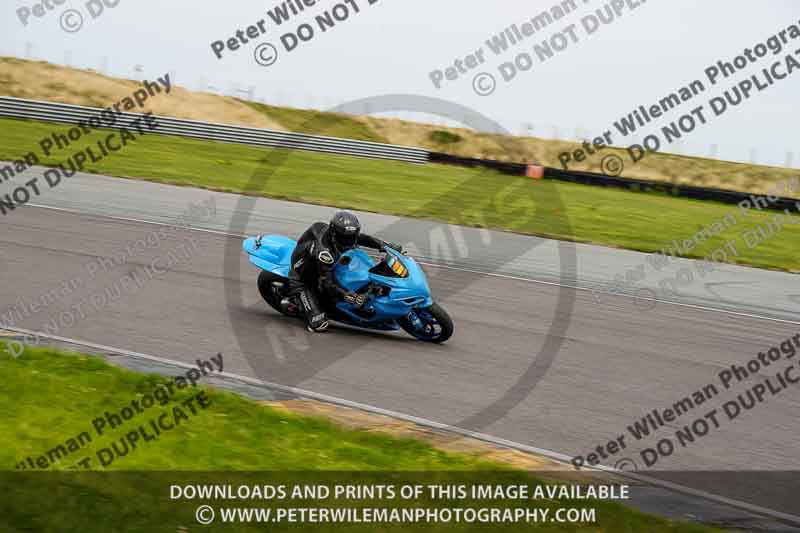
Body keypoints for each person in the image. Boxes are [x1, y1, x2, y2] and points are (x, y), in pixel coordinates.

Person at [287, 211, 402, 332]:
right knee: (319, 324)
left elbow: (360, 238)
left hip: (322, 265)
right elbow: (328, 283)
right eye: (345, 238)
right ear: (334, 234)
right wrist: (348, 296)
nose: (349, 242)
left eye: (352, 237)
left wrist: (384, 245)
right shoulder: (325, 253)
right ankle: (300, 304)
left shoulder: (340, 236)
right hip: (302, 279)